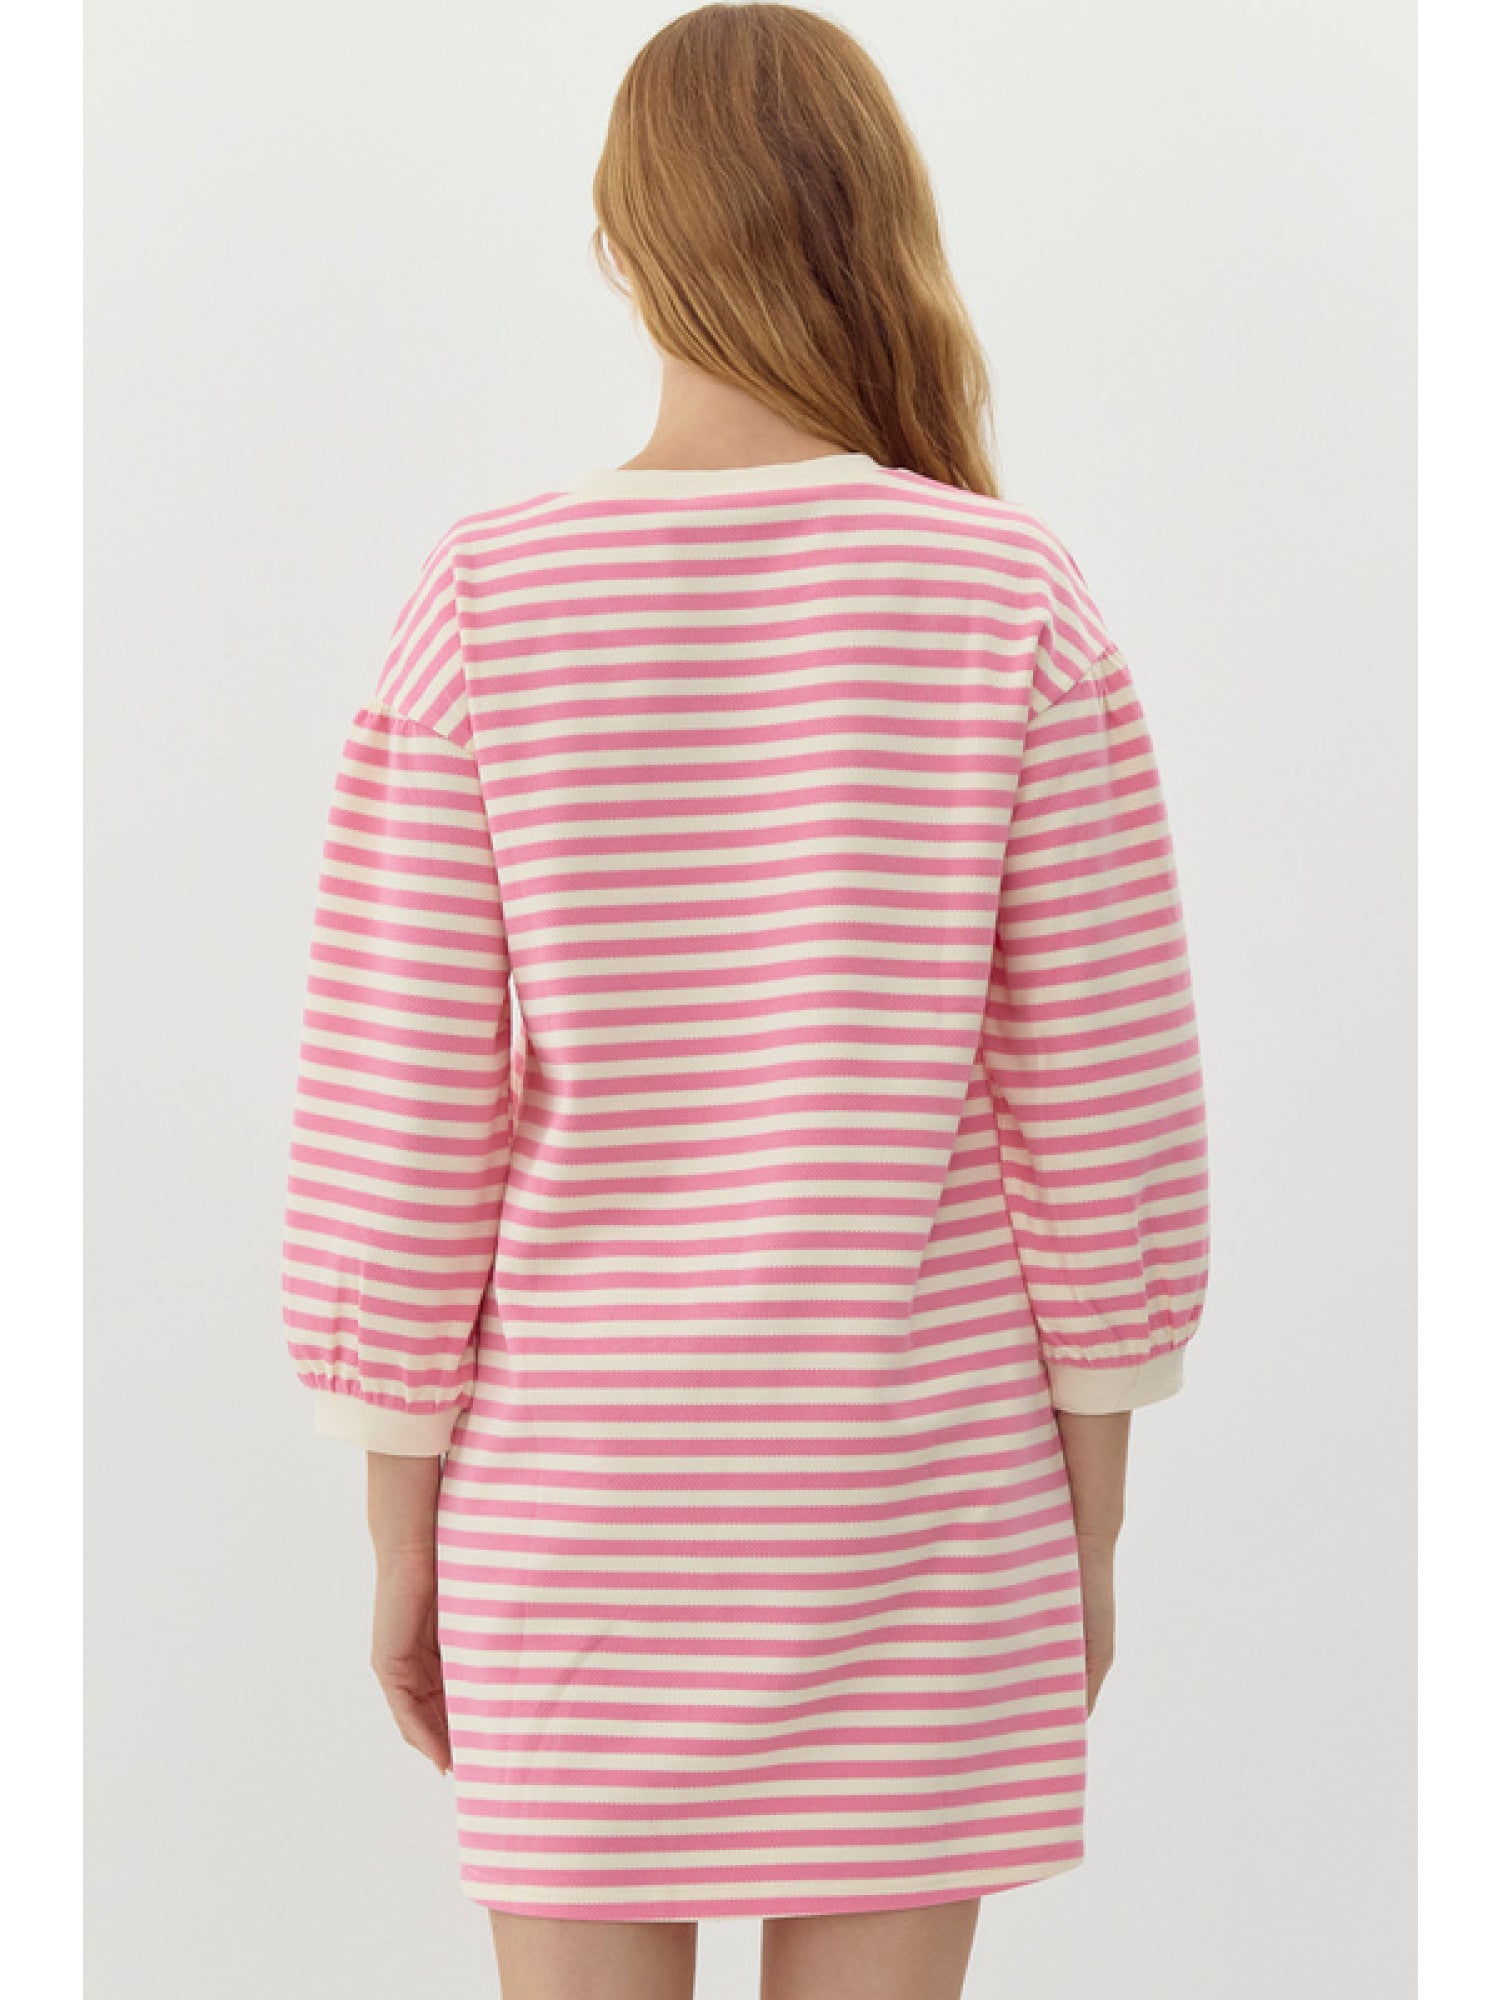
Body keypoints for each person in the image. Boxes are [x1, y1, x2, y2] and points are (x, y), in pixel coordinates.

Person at [279, 6, 1211, 1995]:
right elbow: (1105, 1116)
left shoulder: (486, 600)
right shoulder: (1009, 598)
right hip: (919, 1499)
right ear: (877, 225)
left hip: (580, 1511)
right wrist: (1092, 1524)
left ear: (626, 242)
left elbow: (399, 1123)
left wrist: (396, 1531)